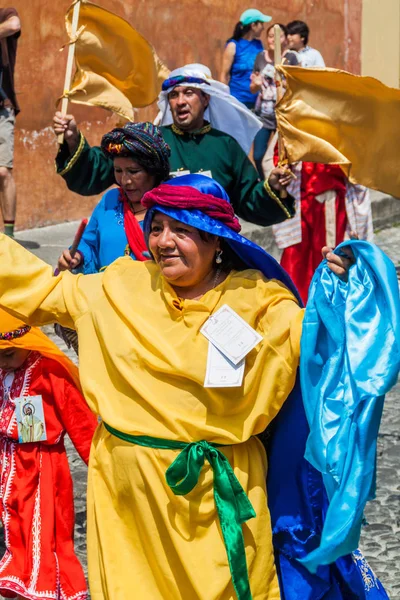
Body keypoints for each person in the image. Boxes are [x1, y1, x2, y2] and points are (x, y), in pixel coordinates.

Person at [0, 175, 392, 600]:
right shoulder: (117, 284)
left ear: (216, 239)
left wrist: (357, 292)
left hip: (217, 495)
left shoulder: (261, 302)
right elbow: (40, 290)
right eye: (156, 228)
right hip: (128, 498)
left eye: (181, 230)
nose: (164, 241)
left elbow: (330, 348)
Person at [53, 63, 295, 227]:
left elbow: (247, 200)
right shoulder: (152, 139)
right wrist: (74, 141)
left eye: (189, 93)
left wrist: (271, 187)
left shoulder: (226, 146)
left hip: (215, 253)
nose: (180, 101)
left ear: (206, 99)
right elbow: (103, 170)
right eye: (174, 95)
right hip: (158, 252)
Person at [0, 310, 98, 600]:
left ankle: (47, 582)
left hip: (43, 464)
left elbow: (80, 421)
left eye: (8, 354)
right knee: (15, 519)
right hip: (11, 459)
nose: (2, 362)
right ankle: (19, 573)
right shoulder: (5, 369)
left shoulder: (49, 370)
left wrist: (102, 466)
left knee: (44, 524)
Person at [57, 121, 171, 273]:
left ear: (154, 170)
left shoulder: (171, 207)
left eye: (133, 171)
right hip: (105, 293)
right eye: (118, 170)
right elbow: (89, 243)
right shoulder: (110, 200)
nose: (124, 181)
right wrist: (78, 256)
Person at [250, 24, 299, 178]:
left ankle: (282, 186)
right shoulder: (260, 57)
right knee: (258, 155)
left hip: (284, 115)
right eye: (270, 36)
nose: (273, 39)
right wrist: (256, 85)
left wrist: (281, 80)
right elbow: (252, 87)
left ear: (285, 39)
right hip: (263, 114)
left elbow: (297, 86)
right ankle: (266, 183)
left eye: (278, 36)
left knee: (283, 156)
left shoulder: (291, 58)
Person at [220, 8, 271, 108]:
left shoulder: (259, 45)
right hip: (236, 102)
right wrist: (223, 100)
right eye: (261, 24)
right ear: (253, 25)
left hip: (257, 102)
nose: (263, 28)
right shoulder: (233, 45)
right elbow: (224, 75)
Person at [0, 8, 20, 238]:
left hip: (2, 107)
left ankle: (9, 235)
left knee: (3, 171)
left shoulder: (6, 13)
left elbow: (14, 25)